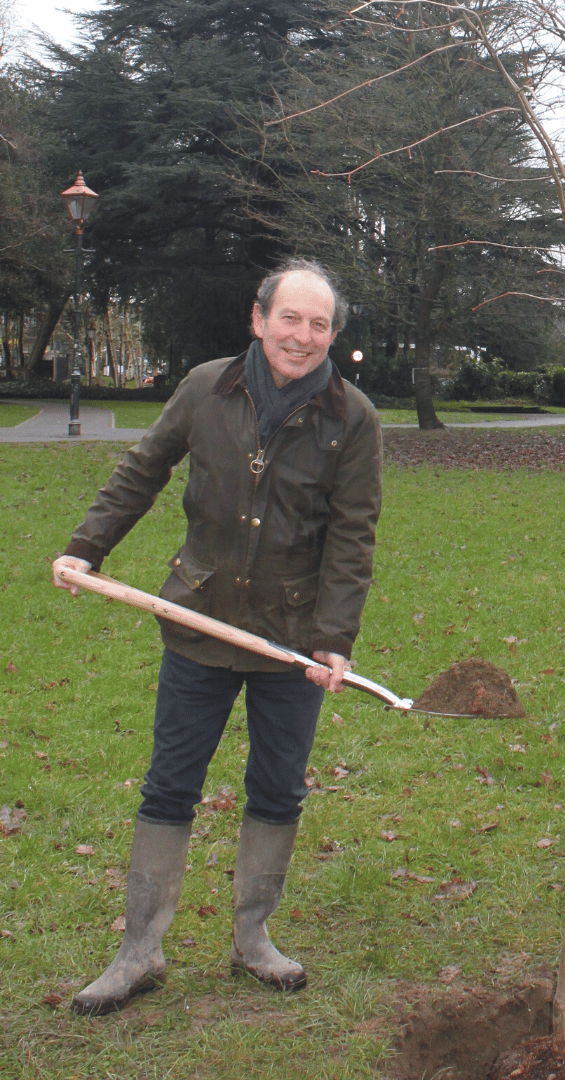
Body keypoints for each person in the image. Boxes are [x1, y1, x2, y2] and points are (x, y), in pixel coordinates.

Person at [52, 258, 382, 1014]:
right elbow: (144, 469)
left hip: (291, 640)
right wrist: (87, 546)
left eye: (319, 324)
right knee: (170, 784)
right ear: (258, 318)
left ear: (333, 334)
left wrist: (333, 639)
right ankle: (139, 951)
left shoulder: (351, 417)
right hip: (197, 622)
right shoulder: (207, 387)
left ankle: (253, 939)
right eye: (290, 319)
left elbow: (352, 537)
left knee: (276, 788)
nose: (302, 336)